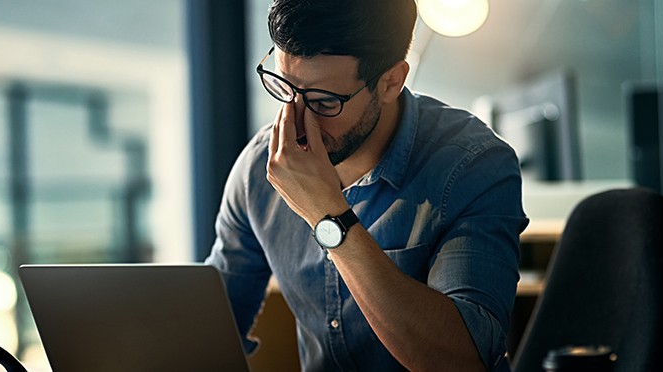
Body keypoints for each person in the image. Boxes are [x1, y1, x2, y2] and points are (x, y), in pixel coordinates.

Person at [205, 0, 528, 370]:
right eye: (284, 87)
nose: (295, 122)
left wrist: (328, 216)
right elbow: (212, 324)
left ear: (391, 82)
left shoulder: (473, 165)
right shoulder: (260, 167)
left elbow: (463, 361)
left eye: (324, 102)